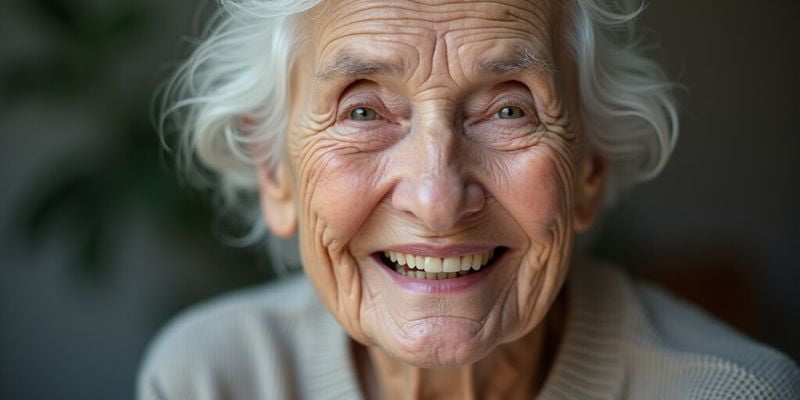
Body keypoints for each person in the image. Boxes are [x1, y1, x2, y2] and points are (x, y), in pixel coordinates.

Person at [137, 0, 800, 398]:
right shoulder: (209, 379)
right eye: (363, 112)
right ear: (275, 171)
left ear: (589, 169)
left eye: (509, 109)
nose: (437, 200)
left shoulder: (730, 392)